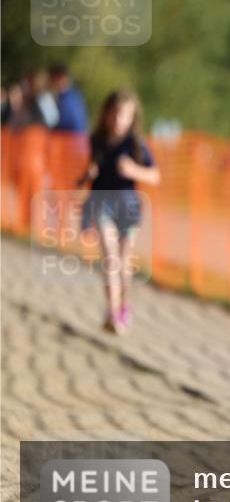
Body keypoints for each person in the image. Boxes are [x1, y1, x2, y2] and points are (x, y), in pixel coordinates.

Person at [77, 89, 161, 335]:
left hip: (129, 207)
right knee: (110, 259)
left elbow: (155, 176)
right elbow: (94, 169)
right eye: (114, 115)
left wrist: (134, 170)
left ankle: (125, 306)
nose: (117, 121)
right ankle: (112, 311)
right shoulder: (97, 140)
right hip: (102, 203)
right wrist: (89, 175)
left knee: (123, 263)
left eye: (124, 116)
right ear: (106, 115)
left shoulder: (135, 144)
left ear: (132, 117)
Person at [50, 64, 89, 133]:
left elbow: (61, 122)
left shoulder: (67, 99)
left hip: (69, 139)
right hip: (78, 138)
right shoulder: (76, 94)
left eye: (53, 79)